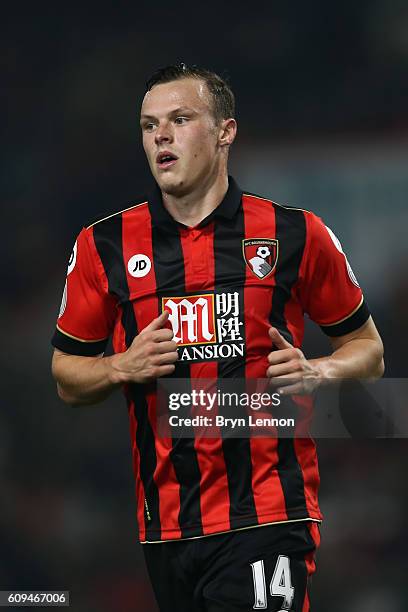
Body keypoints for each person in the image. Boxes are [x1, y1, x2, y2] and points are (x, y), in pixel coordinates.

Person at [51, 63, 384, 611]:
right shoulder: (103, 244)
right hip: (166, 527)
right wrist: (118, 367)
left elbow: (368, 350)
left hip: (270, 514)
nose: (161, 135)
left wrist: (318, 369)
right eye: (148, 124)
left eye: (180, 119)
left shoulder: (294, 233)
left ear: (225, 132)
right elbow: (66, 374)